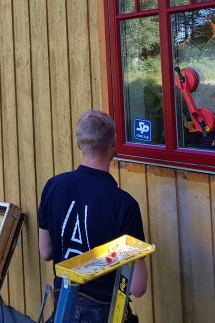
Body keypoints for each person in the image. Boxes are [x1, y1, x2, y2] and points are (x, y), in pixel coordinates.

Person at [38, 110, 148, 322]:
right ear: (113, 145)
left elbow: (46, 251)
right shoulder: (124, 204)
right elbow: (137, 286)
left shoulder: (53, 186)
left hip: (63, 310)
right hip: (104, 313)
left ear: (79, 144)